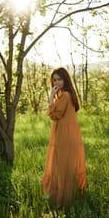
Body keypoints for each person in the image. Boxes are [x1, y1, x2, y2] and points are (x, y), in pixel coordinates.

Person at [42, 67, 87, 208]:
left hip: (64, 137)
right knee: (67, 167)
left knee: (60, 167)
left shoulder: (65, 96)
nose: (57, 82)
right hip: (69, 135)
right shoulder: (67, 95)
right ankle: (71, 198)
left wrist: (50, 98)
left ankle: (61, 202)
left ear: (65, 79)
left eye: (59, 79)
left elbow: (55, 115)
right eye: (54, 80)